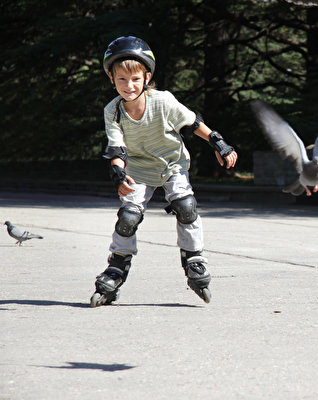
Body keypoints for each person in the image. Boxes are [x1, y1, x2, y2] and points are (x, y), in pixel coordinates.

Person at [90, 36, 238, 307]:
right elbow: (116, 148)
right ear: (112, 79)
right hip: (137, 169)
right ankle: (116, 267)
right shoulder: (113, 111)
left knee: (185, 205)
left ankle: (194, 259)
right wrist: (119, 174)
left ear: (146, 77)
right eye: (121, 80)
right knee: (128, 216)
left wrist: (219, 143)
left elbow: (193, 123)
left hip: (171, 164)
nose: (129, 86)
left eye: (135, 79)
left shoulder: (163, 101)